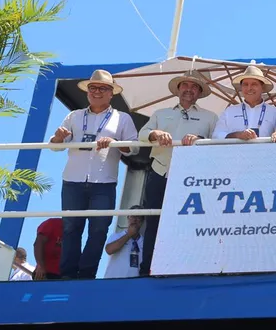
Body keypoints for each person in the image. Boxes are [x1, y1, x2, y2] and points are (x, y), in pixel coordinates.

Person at [49, 69, 139, 279]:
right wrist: (57, 138)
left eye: (103, 88)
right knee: (71, 228)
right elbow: (55, 147)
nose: (97, 91)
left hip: (104, 182)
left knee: (99, 229)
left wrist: (117, 143)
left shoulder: (122, 118)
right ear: (87, 92)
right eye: (93, 88)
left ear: (111, 93)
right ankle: (68, 274)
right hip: (72, 179)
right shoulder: (74, 116)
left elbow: (134, 148)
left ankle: (87, 273)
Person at [138, 69, 218, 276]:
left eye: (194, 87)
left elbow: (217, 144)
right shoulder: (160, 113)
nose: (189, 90)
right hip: (160, 172)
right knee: (154, 219)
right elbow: (142, 134)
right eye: (185, 85)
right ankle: (148, 269)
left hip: (192, 177)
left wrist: (200, 138)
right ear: (178, 89)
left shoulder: (210, 118)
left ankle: (184, 267)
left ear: (200, 92)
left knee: (188, 222)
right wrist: (155, 133)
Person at [212, 64, 276, 141]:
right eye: (245, 84)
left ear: (262, 88)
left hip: (264, 152)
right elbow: (216, 135)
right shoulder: (229, 111)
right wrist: (237, 135)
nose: (249, 88)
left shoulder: (274, 112)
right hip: (235, 152)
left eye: (254, 84)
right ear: (241, 88)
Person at [103, 207, 145, 279]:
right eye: (132, 216)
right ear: (128, 218)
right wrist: (129, 235)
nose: (135, 219)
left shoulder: (145, 242)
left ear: (142, 221)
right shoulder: (116, 235)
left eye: (138, 217)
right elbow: (109, 250)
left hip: (134, 283)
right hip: (113, 281)